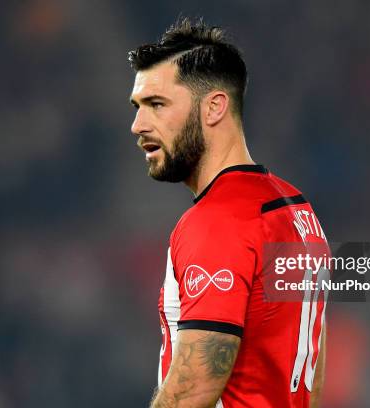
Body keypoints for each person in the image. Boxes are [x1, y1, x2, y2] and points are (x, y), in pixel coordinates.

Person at [128, 18, 329, 408]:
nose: (137, 125)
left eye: (157, 105)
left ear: (214, 107)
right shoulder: (298, 209)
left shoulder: (219, 221)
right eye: (137, 107)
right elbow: (311, 371)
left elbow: (195, 384)